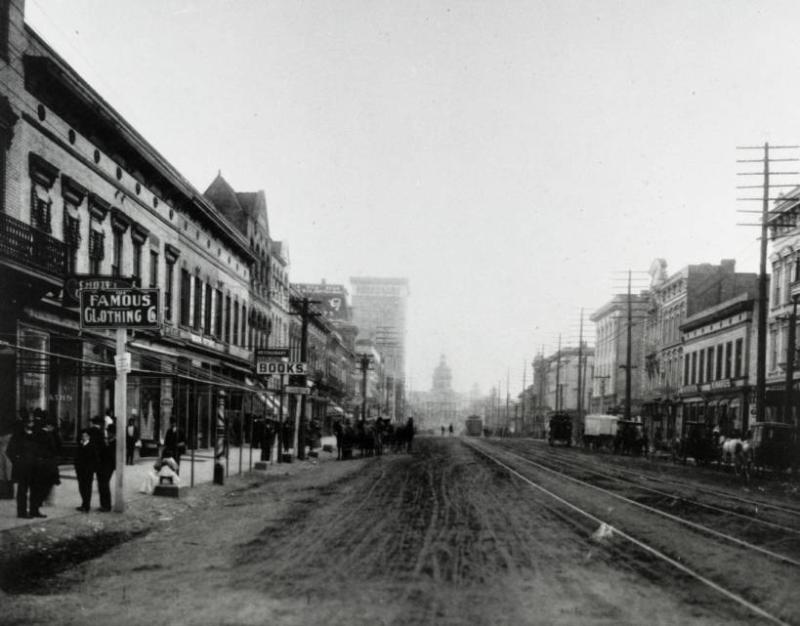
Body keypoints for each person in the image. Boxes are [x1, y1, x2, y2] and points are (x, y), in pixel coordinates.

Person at [6, 415, 36, 518]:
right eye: (29, 422)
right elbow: (9, 452)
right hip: (23, 467)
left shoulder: (34, 435)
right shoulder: (17, 436)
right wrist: (18, 461)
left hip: (34, 466)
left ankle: (34, 510)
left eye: (32, 421)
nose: (31, 423)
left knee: (34, 489)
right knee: (23, 490)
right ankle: (22, 512)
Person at [74, 428, 97, 512]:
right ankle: (84, 503)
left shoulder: (92, 446)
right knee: (81, 487)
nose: (84, 437)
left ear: (89, 437)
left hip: (88, 471)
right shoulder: (80, 445)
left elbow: (95, 459)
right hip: (80, 470)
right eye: (83, 436)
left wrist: (92, 469)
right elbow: (77, 457)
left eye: (86, 436)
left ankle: (87, 506)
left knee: (87, 488)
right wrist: (76, 466)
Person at [95, 417, 115, 512]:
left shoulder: (114, 442)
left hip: (107, 466)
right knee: (101, 485)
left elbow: (110, 455)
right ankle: (103, 504)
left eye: (109, 431)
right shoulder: (109, 441)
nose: (108, 433)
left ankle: (106, 505)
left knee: (104, 485)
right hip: (103, 466)